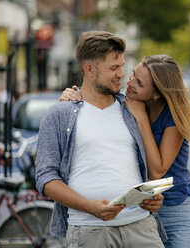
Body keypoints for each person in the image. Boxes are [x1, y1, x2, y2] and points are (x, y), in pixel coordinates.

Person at [60, 54, 190, 248]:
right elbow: (95, 102)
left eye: (140, 83)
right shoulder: (125, 104)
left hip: (175, 211)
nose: (130, 82)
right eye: (133, 74)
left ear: (157, 94)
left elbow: (157, 171)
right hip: (139, 213)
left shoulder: (172, 118)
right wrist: (73, 94)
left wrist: (141, 119)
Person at [35, 31, 166, 248]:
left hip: (141, 228)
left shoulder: (133, 109)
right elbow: (45, 177)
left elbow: (149, 165)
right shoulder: (59, 114)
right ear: (89, 70)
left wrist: (152, 196)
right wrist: (90, 207)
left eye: (122, 66)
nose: (122, 75)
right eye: (113, 68)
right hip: (90, 232)